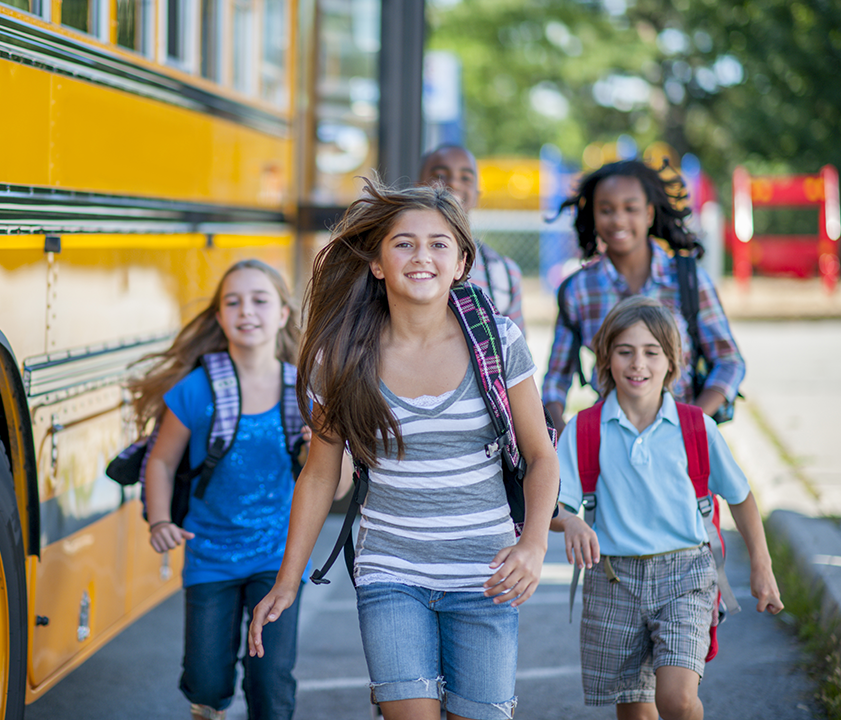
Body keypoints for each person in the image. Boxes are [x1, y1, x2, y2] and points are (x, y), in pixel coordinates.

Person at [248, 180, 559, 720]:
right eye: (404, 243)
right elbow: (320, 476)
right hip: (391, 573)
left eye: (440, 244)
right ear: (377, 263)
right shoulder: (342, 357)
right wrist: (287, 580)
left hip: (486, 575)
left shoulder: (498, 342)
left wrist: (532, 545)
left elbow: (541, 455)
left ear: (462, 262)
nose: (423, 256)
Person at [550, 295, 782, 720]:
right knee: (635, 710)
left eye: (651, 352)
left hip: (686, 575)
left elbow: (740, 495)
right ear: (606, 360)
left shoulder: (697, 427)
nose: (638, 363)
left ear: (671, 363)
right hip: (613, 579)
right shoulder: (585, 429)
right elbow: (553, 507)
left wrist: (762, 567)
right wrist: (571, 523)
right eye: (625, 351)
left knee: (675, 699)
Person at [137, 258, 306, 720]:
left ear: (284, 314)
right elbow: (162, 461)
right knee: (207, 680)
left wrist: (317, 450)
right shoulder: (198, 389)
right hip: (209, 555)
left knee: (270, 681)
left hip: (278, 557)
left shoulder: (305, 391)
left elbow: (332, 487)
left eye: (259, 300)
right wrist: (160, 520)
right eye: (232, 302)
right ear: (219, 318)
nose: (246, 310)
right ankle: (207, 708)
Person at [542, 160, 744, 434]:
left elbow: (728, 360)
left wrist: (690, 424)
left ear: (649, 214)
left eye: (631, 208)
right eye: (606, 210)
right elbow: (555, 381)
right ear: (593, 215)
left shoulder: (687, 280)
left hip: (681, 447)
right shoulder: (578, 290)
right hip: (609, 446)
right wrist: (565, 439)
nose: (618, 219)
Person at [419, 144, 526, 335]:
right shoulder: (398, 261)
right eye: (440, 175)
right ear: (417, 186)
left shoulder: (504, 274)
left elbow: (516, 354)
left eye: (466, 178)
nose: (454, 183)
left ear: (477, 195)